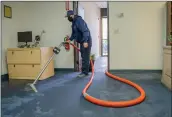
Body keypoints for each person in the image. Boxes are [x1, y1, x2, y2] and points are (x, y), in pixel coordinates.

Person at [65, 10, 92, 77]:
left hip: (86, 41)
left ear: (71, 15)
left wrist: (85, 41)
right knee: (83, 56)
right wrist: (70, 39)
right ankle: (84, 72)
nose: (68, 18)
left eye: (68, 17)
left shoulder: (79, 21)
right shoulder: (74, 22)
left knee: (85, 57)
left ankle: (85, 72)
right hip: (82, 41)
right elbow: (74, 33)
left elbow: (85, 31)